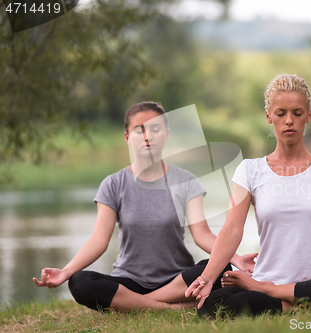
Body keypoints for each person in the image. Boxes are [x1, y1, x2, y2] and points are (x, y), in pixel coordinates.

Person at [184, 74, 311, 318]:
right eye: (281, 113)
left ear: (309, 115)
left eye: (297, 113)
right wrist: (207, 277)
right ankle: (305, 301)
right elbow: (231, 230)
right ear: (269, 116)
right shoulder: (249, 170)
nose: (289, 121)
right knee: (211, 305)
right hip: (267, 277)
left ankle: (276, 293)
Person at [33, 101, 256, 311]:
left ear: (167, 135)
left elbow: (202, 235)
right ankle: (169, 308)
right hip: (130, 281)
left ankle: (133, 304)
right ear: (127, 137)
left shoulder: (186, 180)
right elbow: (98, 241)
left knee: (220, 269)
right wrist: (66, 271)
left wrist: (234, 257)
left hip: (177, 280)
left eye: (156, 129)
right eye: (139, 130)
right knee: (80, 282)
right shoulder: (113, 184)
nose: (148, 136)